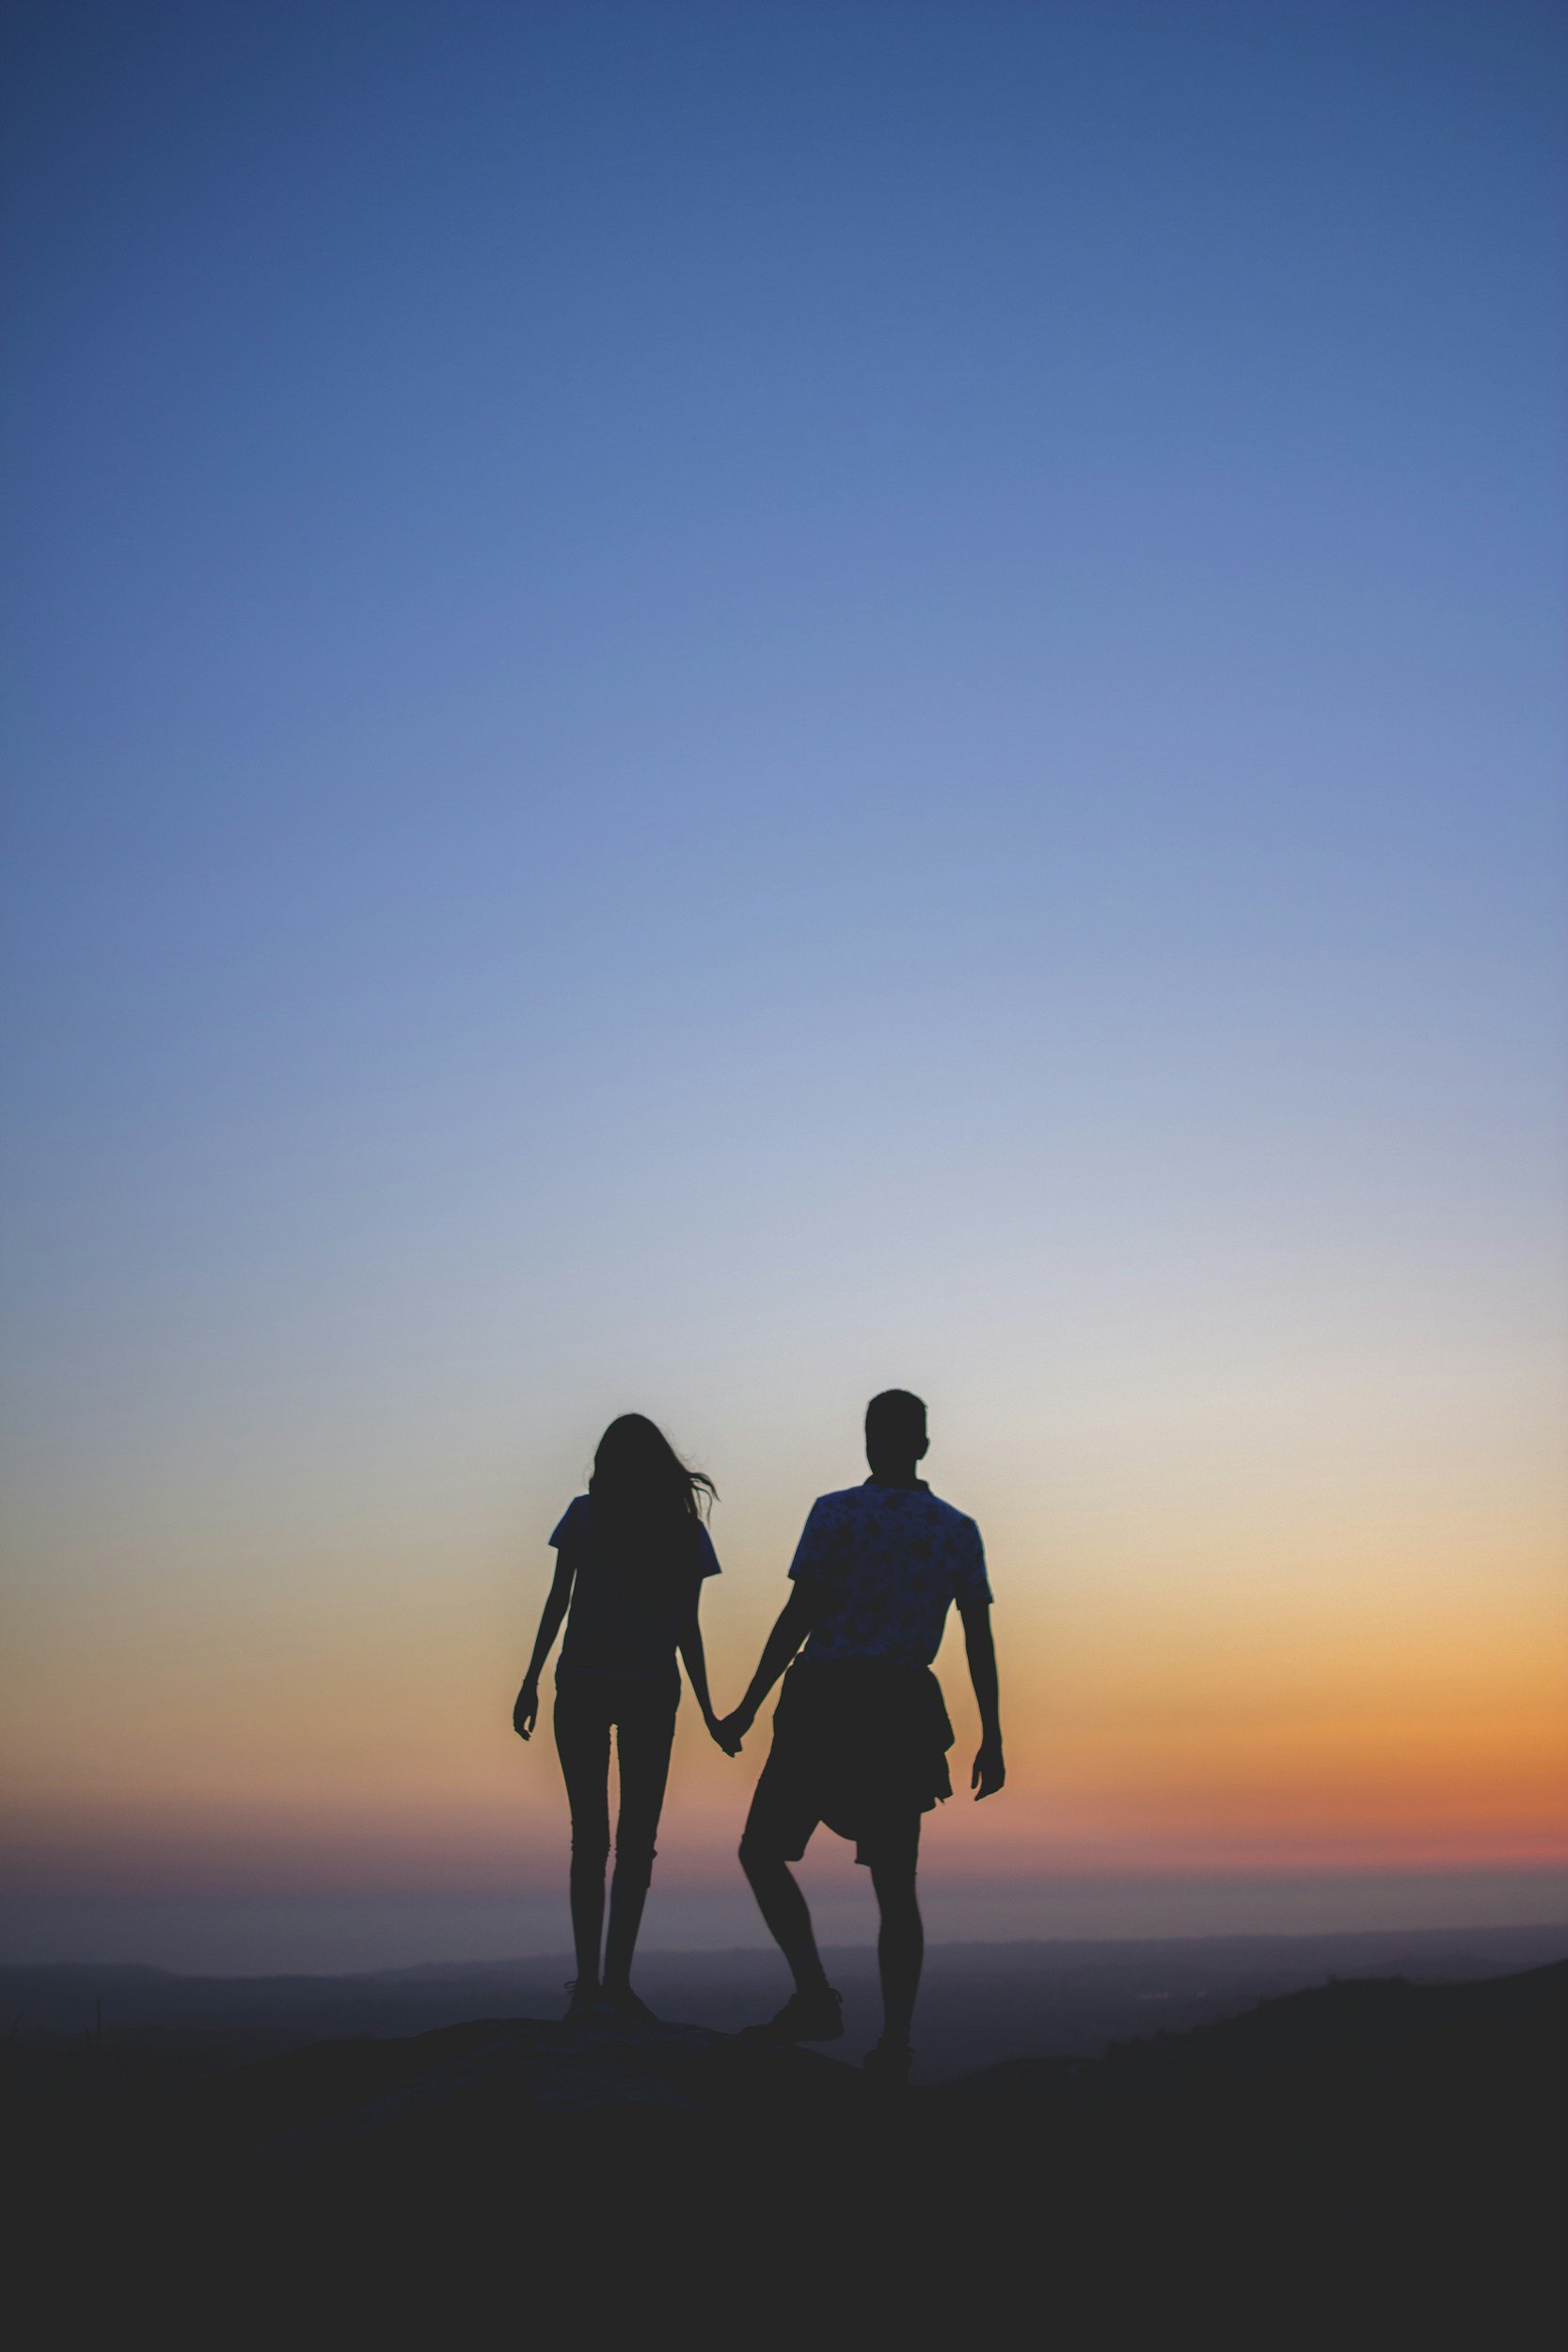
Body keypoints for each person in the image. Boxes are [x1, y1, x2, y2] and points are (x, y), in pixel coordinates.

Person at [720, 1390, 1004, 2084]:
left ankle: (815, 1997)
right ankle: (895, 2044)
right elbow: (978, 1639)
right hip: (899, 1711)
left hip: (823, 1700)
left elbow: (799, 1614)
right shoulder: (955, 1529)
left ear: (870, 1441)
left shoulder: (835, 1512)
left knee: (762, 1851)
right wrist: (992, 1735)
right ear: (923, 1445)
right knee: (895, 1886)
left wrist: (748, 1706)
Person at [515, 1414, 736, 2021]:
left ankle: (590, 1986)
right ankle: (613, 1983)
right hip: (649, 1688)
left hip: (583, 1683)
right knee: (636, 1844)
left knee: (589, 1840)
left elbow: (558, 1602)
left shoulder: (584, 1515)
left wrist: (531, 1680)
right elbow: (687, 1628)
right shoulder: (682, 1531)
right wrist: (710, 1712)